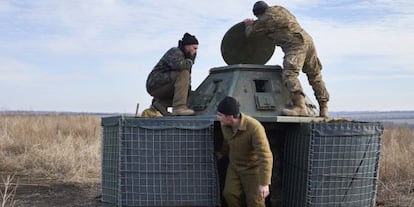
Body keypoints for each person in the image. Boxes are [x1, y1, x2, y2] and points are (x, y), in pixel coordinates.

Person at [244, 1, 330, 117]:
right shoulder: (279, 9)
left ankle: (300, 107)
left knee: (289, 74)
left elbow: (251, 34)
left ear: (258, 14)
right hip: (307, 40)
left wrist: (249, 25)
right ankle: (324, 109)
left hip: (295, 45)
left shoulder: (264, 19)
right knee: (315, 75)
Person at [216, 96, 273, 207]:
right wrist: (222, 154)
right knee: (229, 194)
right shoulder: (225, 125)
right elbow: (228, 143)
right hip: (235, 167)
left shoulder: (254, 128)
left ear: (230, 117)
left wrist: (264, 183)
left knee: (255, 202)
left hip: (252, 169)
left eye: (220, 115)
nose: (218, 118)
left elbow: (265, 156)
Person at [146, 33, 198, 116]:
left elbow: (186, 79)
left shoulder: (185, 58)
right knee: (184, 72)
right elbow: (180, 67)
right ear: (187, 46)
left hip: (166, 85)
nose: (195, 51)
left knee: (188, 94)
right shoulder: (175, 51)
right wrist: (190, 60)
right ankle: (179, 108)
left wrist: (187, 91)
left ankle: (160, 104)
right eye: (194, 48)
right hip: (155, 84)